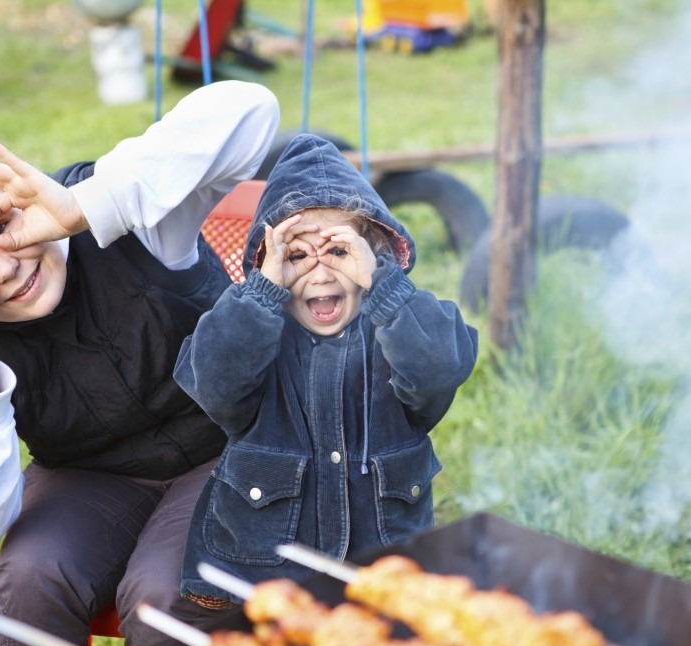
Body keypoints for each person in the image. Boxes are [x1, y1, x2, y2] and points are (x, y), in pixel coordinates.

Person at [0, 80, 279, 646]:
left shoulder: (126, 215)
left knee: (166, 594)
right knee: (31, 584)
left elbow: (251, 109)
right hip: (90, 478)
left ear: (17, 196)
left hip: (233, 452)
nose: (4, 269)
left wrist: (83, 207)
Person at [174, 134, 479, 604]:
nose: (319, 273)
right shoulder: (253, 332)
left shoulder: (398, 326)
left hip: (379, 579)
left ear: (374, 255)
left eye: (339, 251)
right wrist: (260, 293)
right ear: (267, 267)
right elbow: (214, 383)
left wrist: (385, 288)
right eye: (296, 256)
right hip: (259, 581)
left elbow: (439, 369)